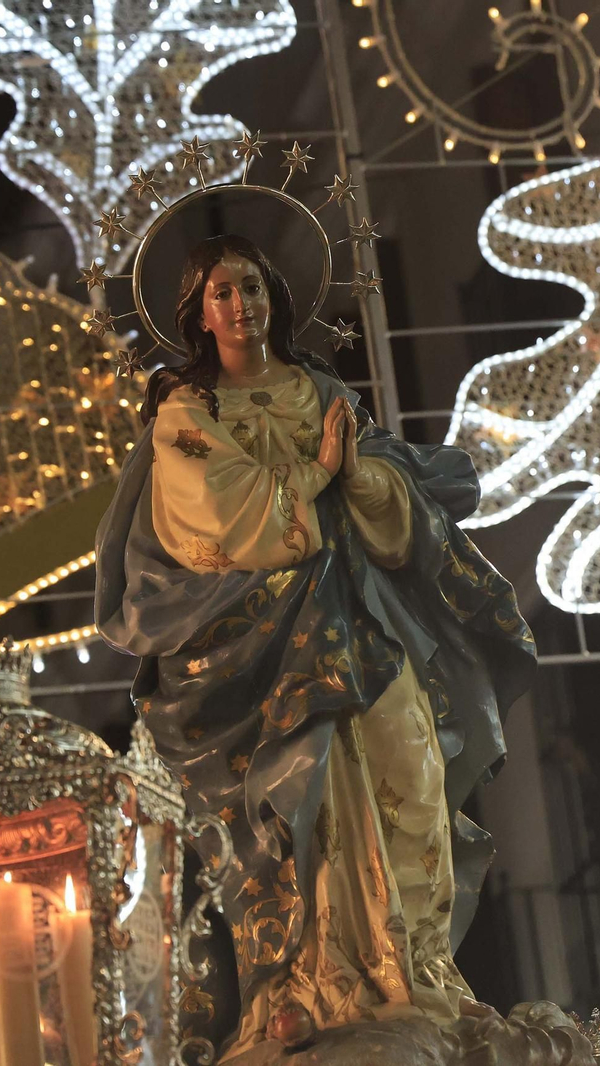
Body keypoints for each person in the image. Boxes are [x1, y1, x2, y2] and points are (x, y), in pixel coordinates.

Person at [94, 234, 535, 1058]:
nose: (241, 305)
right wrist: (314, 479)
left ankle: (417, 967)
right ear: (199, 314)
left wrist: (356, 475)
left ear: (274, 298)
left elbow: (392, 503)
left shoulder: (319, 390)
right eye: (222, 293)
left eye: (252, 287)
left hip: (359, 617)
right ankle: (318, 977)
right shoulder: (190, 413)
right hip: (261, 646)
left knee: (414, 768)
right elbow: (213, 516)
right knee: (307, 797)